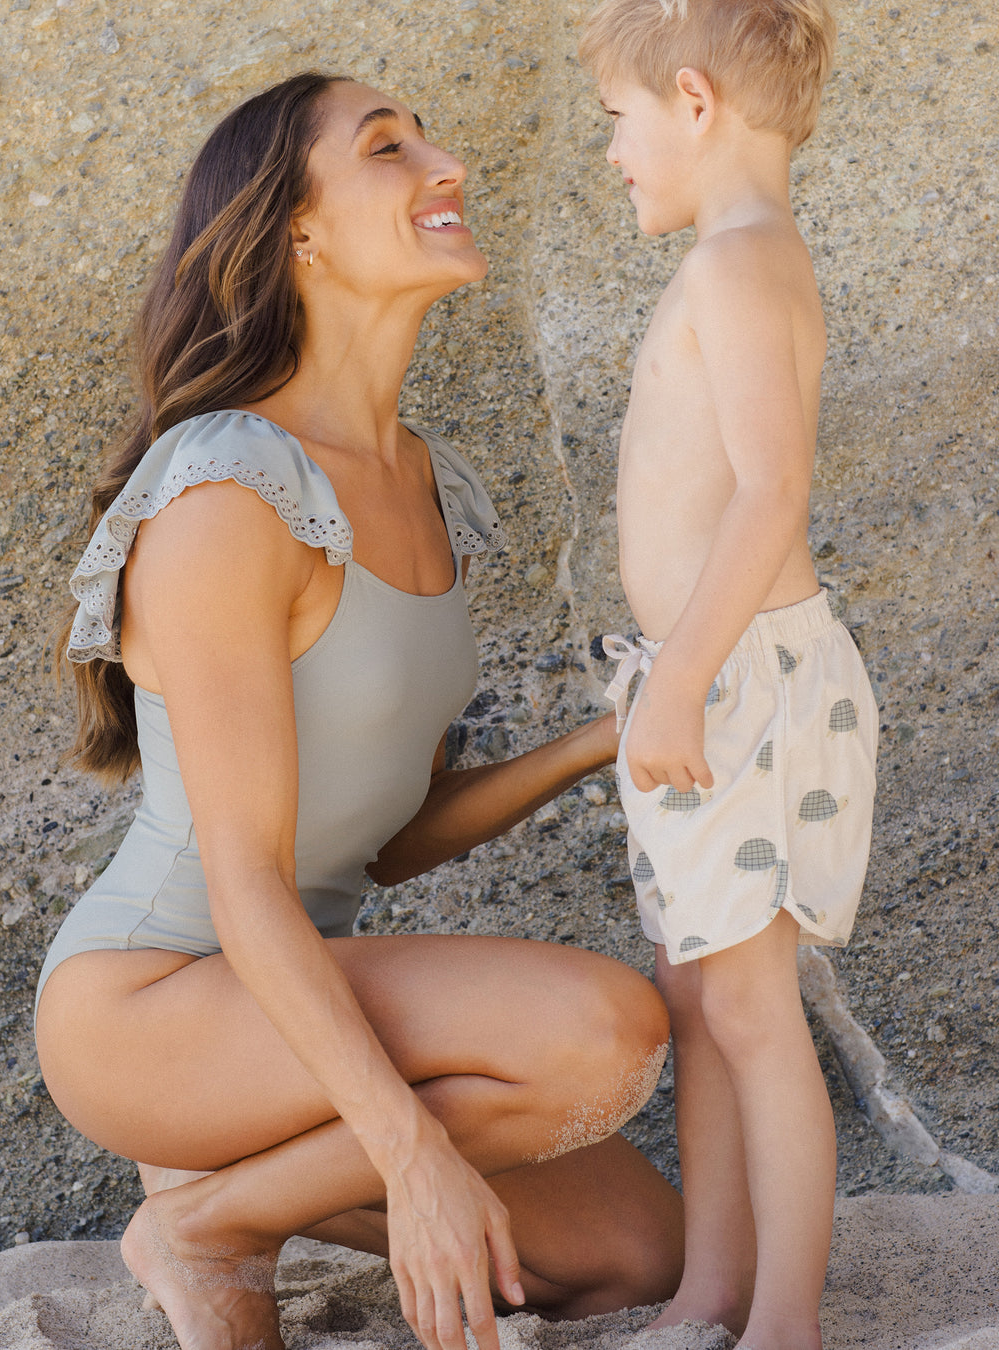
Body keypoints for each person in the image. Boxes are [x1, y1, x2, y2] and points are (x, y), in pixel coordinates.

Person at [33, 72, 684, 1350]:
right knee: (603, 1035)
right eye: (390, 148)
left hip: (291, 1005)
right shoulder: (226, 495)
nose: (446, 165)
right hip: (156, 1007)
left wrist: (612, 739)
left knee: (631, 1253)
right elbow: (247, 883)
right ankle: (208, 1227)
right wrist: (412, 1157)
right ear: (298, 233)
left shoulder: (419, 477)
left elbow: (389, 838)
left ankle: (231, 1196)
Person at [577, 3, 878, 1348]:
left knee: (752, 1008)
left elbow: (771, 493)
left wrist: (683, 678)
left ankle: (786, 1324)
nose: (614, 154)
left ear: (692, 103)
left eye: (617, 122)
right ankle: (711, 1289)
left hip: (739, 674)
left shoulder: (746, 266)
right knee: (700, 985)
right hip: (706, 670)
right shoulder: (725, 258)